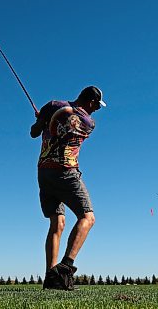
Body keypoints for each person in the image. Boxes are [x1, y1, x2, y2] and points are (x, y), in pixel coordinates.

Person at [30, 86, 106, 290]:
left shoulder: (54, 105)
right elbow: (71, 122)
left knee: (57, 223)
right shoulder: (89, 122)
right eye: (97, 105)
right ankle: (64, 268)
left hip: (44, 172)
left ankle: (50, 277)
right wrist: (48, 119)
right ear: (90, 102)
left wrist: (42, 119)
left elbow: (34, 133)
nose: (96, 110)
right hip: (65, 172)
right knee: (88, 217)